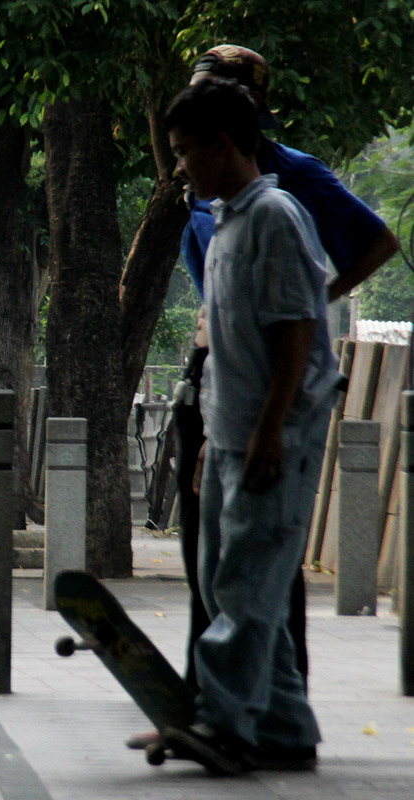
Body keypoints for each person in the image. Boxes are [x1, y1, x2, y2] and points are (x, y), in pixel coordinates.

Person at [167, 44, 398, 707]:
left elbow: (374, 244)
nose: (183, 156)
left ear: (243, 117)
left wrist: (312, 300)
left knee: (257, 563)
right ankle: (227, 696)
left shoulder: (284, 192)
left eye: (212, 97)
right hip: (220, 375)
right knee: (210, 559)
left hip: (270, 380)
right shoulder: (208, 195)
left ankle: (247, 706)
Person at [161, 78, 338, 774]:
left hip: (275, 441)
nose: (179, 167)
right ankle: (287, 730)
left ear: (223, 144)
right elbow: (229, 347)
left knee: (243, 591)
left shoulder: (275, 216)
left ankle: (223, 724)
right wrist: (211, 438)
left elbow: (297, 332)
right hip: (231, 437)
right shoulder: (227, 221)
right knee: (231, 585)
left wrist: (269, 431)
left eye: (183, 152)